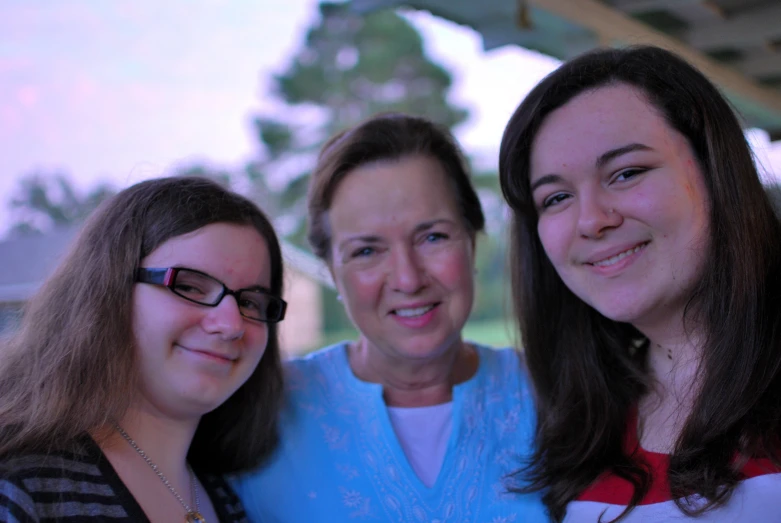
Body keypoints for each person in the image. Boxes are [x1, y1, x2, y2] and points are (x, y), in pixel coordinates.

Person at [498, 45, 781, 522]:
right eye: (557, 198)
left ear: (714, 169)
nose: (591, 221)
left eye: (626, 173)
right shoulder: (575, 422)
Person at [232, 113, 549, 521]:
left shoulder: (554, 396)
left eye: (433, 236)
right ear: (332, 271)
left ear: (471, 241)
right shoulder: (260, 410)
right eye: (366, 251)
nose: (407, 278)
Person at [0, 176, 288, 522]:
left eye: (253, 303)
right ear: (108, 291)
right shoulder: (18, 485)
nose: (231, 324)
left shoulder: (229, 499)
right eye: (191, 286)